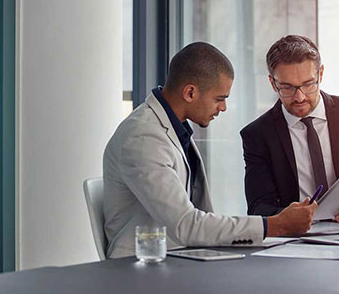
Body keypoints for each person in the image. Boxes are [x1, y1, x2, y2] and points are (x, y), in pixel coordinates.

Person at [103, 42, 317, 258]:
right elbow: (186, 225)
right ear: (190, 92)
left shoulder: (173, 129)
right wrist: (274, 225)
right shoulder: (143, 138)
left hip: (179, 258)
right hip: (142, 269)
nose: (223, 108)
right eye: (219, 99)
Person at [240, 35, 339, 226]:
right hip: (297, 239)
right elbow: (258, 207)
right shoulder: (257, 135)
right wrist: (287, 218)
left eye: (308, 84)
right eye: (287, 87)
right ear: (273, 83)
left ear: (320, 74)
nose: (299, 97)